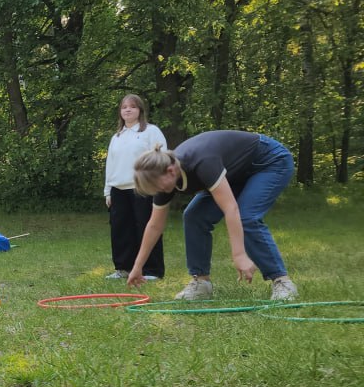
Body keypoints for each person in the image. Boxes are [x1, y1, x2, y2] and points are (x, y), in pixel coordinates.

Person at [128, 131, 298, 301]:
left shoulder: (202, 162)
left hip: (269, 162)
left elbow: (231, 209)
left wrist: (239, 255)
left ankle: (282, 281)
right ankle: (201, 283)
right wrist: (138, 266)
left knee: (247, 216)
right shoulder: (163, 178)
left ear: (171, 171)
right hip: (235, 174)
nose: (157, 192)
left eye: (157, 187)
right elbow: (154, 225)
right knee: (194, 216)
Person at [104, 95, 165, 280]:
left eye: (132, 107)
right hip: (118, 189)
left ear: (140, 110)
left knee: (146, 227)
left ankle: (152, 270)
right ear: (120, 112)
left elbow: (161, 158)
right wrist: (108, 191)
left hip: (143, 188)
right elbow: (110, 163)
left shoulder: (151, 132)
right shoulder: (117, 137)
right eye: (124, 107)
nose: (128, 110)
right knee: (121, 229)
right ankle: (123, 268)